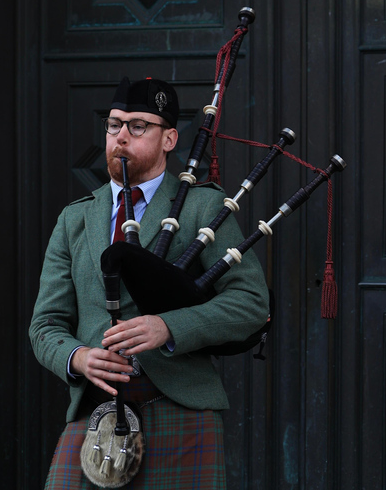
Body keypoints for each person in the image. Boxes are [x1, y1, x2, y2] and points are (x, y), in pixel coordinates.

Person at [29, 76, 269, 489]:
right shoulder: (75, 218)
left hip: (179, 408)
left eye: (138, 126)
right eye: (113, 124)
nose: (121, 135)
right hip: (97, 409)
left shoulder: (202, 207)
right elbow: (44, 325)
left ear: (169, 139)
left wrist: (169, 327)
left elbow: (251, 304)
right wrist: (79, 358)